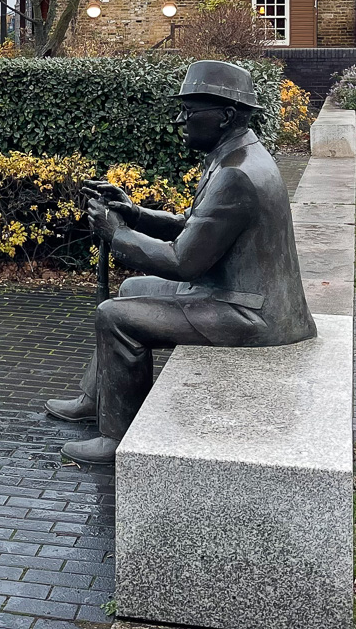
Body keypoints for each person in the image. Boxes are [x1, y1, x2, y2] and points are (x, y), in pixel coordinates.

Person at [45, 60, 316, 465]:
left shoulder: (236, 175)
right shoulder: (236, 156)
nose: (180, 119)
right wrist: (134, 213)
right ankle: (96, 396)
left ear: (225, 116)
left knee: (114, 316)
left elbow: (183, 262)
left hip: (250, 314)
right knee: (131, 291)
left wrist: (116, 234)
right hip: (245, 297)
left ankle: (115, 438)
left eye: (190, 111)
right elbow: (194, 227)